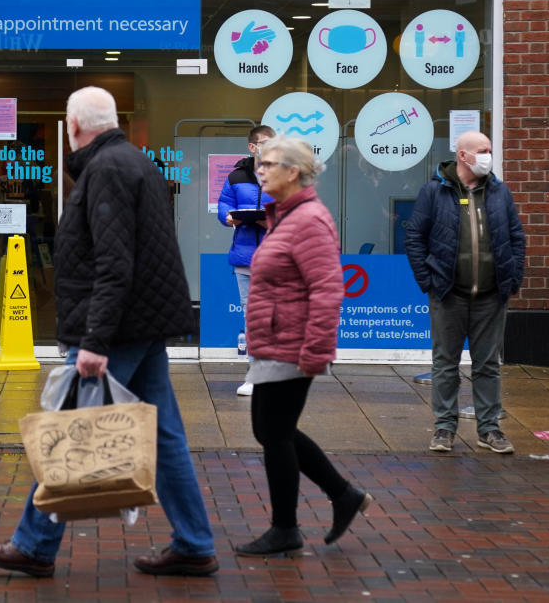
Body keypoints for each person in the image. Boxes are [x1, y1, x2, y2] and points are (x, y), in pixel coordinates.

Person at [0, 86, 217, 578]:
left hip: (117, 327)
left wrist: (94, 342)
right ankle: (194, 542)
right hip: (143, 322)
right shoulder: (134, 162)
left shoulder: (105, 171)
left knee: (71, 427)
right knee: (164, 435)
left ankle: (34, 545)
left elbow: (114, 263)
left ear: (74, 126)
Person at [237, 136, 371, 555]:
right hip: (275, 341)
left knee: (274, 433)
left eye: (269, 164)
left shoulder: (308, 219)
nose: (260, 171)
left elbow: (327, 290)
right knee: (271, 429)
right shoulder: (285, 216)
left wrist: (316, 352)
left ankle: (285, 528)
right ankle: (343, 494)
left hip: (292, 345)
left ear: (293, 171)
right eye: (260, 163)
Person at [404, 130, 525, 455]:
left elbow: (516, 236)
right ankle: (444, 428)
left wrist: (512, 279)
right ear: (463, 155)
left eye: (489, 150)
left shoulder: (499, 192)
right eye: (483, 150)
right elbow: (415, 236)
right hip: (448, 293)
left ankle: (489, 429)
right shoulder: (434, 191)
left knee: (487, 364)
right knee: (445, 362)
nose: (489, 156)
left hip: (491, 294)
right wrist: (428, 281)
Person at [217, 124, 275, 396]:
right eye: (263, 143)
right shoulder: (236, 176)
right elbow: (225, 203)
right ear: (252, 147)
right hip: (245, 257)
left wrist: (270, 221)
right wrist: (227, 216)